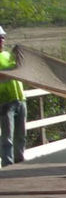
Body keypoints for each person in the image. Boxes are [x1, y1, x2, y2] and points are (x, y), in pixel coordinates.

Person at [0, 26, 27, 167]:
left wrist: (20, 55)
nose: (1, 40)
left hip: (20, 99)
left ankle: (20, 161)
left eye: (2, 37)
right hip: (4, 101)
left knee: (21, 135)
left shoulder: (8, 55)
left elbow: (20, 68)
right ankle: (7, 165)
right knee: (7, 137)